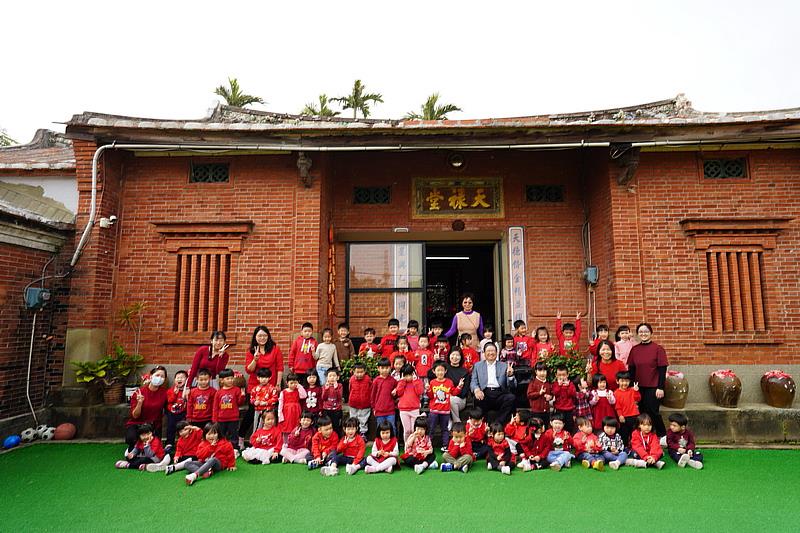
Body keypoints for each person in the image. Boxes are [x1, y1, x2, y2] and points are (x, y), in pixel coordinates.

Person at [241, 325, 284, 441]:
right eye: (259, 335)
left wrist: (278, 384)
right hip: (255, 386)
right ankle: (242, 436)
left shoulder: (275, 349)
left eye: (265, 335)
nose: (262, 338)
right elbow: (249, 370)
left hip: (271, 386)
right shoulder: (251, 351)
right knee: (251, 412)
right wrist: (255, 359)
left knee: (270, 413)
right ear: (255, 337)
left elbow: (280, 367)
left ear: (268, 337)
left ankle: (269, 438)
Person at [627, 323, 669, 436]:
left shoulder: (658, 349)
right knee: (640, 411)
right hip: (638, 387)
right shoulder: (635, 350)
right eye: (641, 332)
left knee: (653, 411)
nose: (643, 334)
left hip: (653, 386)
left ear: (651, 333)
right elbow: (631, 370)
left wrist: (660, 387)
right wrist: (630, 387)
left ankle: (662, 434)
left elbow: (662, 370)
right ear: (637, 334)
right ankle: (643, 435)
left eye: (646, 331)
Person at [470, 343, 516, 424]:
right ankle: (484, 425)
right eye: (488, 351)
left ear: (497, 352)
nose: (491, 353)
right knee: (478, 399)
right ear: (484, 353)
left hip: (500, 393)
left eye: (493, 351)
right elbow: (474, 381)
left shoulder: (504, 365)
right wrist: (476, 390)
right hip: (485, 393)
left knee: (511, 398)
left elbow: (513, 386)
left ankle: (498, 423)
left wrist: (510, 376)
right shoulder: (478, 366)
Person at [125, 365, 168, 450]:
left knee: (155, 447)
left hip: (154, 426)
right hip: (137, 424)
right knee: (131, 438)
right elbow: (135, 416)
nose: (159, 378)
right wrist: (140, 403)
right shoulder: (139, 392)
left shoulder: (165, 393)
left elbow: (169, 408)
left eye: (162, 376)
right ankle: (135, 447)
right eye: (157, 375)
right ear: (151, 376)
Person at [427, 361, 464, 451]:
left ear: (445, 371)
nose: (440, 372)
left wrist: (459, 386)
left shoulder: (449, 382)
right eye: (438, 370)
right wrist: (428, 390)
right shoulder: (432, 382)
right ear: (434, 371)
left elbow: (454, 392)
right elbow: (430, 396)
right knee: (431, 429)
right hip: (434, 411)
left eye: (442, 370)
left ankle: (445, 445)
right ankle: (428, 445)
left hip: (445, 411)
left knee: (445, 429)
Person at [212, 368, 245, 450]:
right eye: (228, 379)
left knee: (234, 435)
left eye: (231, 378)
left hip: (233, 418)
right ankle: (221, 448)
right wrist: (215, 419)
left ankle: (234, 449)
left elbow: (239, 403)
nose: (230, 380)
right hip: (221, 419)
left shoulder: (236, 390)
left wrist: (242, 396)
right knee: (221, 435)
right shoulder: (218, 392)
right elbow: (215, 407)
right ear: (222, 380)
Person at [395, 363, 424, 442]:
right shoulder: (401, 383)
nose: (408, 377)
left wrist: (415, 381)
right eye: (406, 375)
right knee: (407, 430)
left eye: (410, 375)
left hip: (414, 409)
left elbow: (420, 392)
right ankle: (407, 447)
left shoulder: (417, 382)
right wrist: (402, 381)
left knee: (414, 430)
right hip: (404, 410)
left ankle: (415, 446)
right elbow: (399, 392)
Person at [614, 371, 641, 445]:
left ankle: (635, 446)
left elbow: (638, 399)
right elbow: (617, 406)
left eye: (627, 381)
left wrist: (636, 391)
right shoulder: (616, 393)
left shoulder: (632, 390)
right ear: (617, 381)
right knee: (624, 433)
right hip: (624, 416)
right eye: (622, 381)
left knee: (634, 433)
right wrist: (620, 415)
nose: (624, 383)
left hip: (634, 415)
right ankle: (625, 446)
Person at [370, 358, 398, 428]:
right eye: (382, 368)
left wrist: (395, 391)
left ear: (390, 367)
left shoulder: (393, 380)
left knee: (392, 427)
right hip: (379, 410)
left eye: (387, 368)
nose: (385, 370)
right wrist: (374, 408)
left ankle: (393, 439)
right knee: (380, 427)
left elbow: (398, 389)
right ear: (378, 368)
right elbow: (373, 395)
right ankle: (379, 439)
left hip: (390, 410)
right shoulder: (376, 381)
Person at [348, 362, 372, 439]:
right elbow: (350, 389)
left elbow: (371, 389)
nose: (359, 374)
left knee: (363, 419)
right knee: (353, 418)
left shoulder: (367, 379)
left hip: (365, 403)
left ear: (365, 371)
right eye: (357, 372)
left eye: (361, 372)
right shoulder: (352, 379)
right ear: (353, 372)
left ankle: (363, 433)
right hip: (353, 403)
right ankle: (353, 432)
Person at [445, 349, 470, 423]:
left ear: (461, 357)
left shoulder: (464, 372)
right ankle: (448, 420)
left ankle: (457, 422)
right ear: (449, 356)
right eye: (453, 354)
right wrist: (435, 361)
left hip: (459, 399)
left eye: (457, 355)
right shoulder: (445, 369)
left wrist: (453, 393)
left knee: (451, 400)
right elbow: (430, 374)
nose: (455, 357)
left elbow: (464, 392)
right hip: (444, 398)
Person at [551, 366, 577, 434]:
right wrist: (559, 386)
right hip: (559, 409)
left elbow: (573, 394)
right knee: (559, 426)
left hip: (569, 409)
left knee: (569, 426)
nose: (561, 377)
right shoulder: (555, 384)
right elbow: (555, 393)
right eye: (559, 375)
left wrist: (567, 386)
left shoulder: (571, 384)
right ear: (556, 375)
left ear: (567, 375)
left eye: (564, 375)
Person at [165, 370, 188, 449]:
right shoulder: (170, 390)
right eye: (177, 378)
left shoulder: (187, 391)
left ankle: (183, 442)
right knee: (170, 428)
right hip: (172, 413)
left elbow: (188, 401)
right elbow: (169, 401)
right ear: (174, 380)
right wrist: (174, 394)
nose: (179, 379)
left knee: (183, 428)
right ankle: (169, 443)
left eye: (182, 378)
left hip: (183, 413)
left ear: (186, 380)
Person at [526, 362, 552, 427]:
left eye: (544, 370)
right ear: (536, 372)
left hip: (546, 412)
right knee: (536, 428)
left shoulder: (548, 383)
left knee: (545, 427)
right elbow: (529, 395)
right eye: (540, 370)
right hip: (536, 411)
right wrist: (539, 393)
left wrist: (550, 397)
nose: (542, 373)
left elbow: (552, 393)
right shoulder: (533, 383)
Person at [321, 369, 343, 436]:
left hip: (336, 410)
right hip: (327, 409)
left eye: (334, 376)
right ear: (327, 378)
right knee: (327, 425)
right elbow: (323, 398)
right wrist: (326, 389)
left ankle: (336, 438)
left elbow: (339, 398)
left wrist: (336, 388)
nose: (332, 378)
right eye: (330, 376)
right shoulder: (325, 386)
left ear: (338, 377)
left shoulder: (339, 386)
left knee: (336, 426)